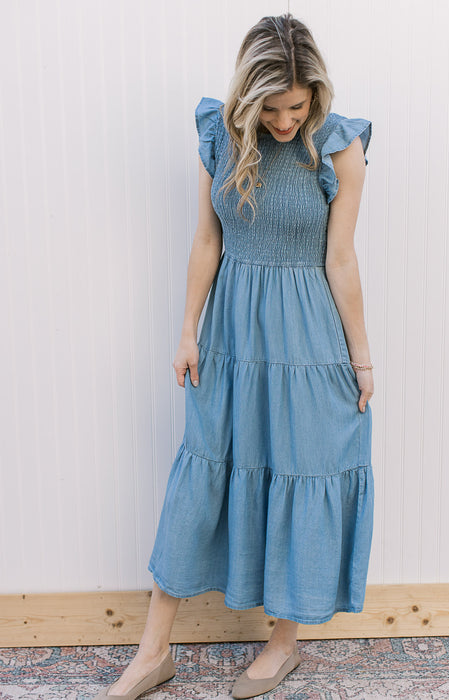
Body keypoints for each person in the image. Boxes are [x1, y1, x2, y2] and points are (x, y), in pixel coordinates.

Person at [93, 11, 374, 700]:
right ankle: (152, 653)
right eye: (271, 108)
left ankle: (284, 644)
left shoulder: (341, 148)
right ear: (248, 97)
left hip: (309, 340)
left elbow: (340, 260)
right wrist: (187, 328)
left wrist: (362, 360)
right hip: (231, 335)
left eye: (297, 106)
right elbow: (207, 241)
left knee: (299, 472)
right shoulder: (219, 135)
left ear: (317, 95)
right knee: (201, 478)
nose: (284, 121)